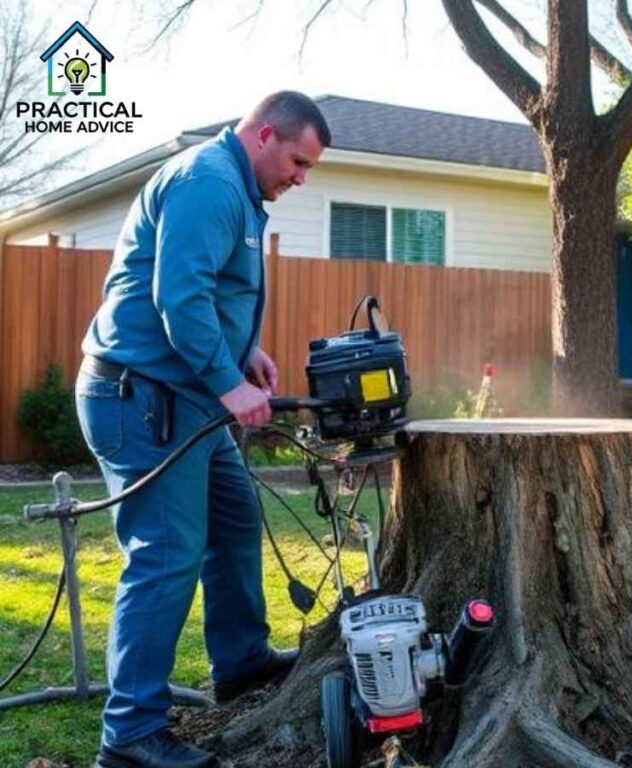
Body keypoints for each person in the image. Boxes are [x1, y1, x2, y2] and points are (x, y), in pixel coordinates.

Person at [76, 91, 330, 768]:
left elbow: (207, 293)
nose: (301, 178)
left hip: (181, 391)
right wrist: (229, 383)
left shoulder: (236, 187)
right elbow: (178, 298)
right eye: (299, 161)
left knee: (235, 517)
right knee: (164, 555)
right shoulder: (210, 183)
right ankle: (129, 734)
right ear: (266, 133)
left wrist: (242, 350)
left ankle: (241, 662)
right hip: (144, 395)